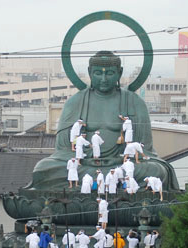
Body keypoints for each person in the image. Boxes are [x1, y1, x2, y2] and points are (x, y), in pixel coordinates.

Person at [26, 51, 179, 191]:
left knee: (157, 171)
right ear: (90, 73)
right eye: (98, 73)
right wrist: (86, 160)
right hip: (85, 166)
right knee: (43, 169)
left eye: (110, 73)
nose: (104, 79)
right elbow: (64, 150)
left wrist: (125, 161)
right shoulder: (76, 102)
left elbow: (144, 149)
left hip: (122, 166)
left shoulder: (134, 102)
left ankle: (92, 187)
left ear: (120, 73)